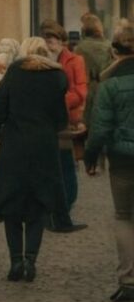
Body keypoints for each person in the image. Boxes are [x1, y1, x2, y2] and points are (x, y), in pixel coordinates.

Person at [0, 37, 69, 283]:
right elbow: (61, 119)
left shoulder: (14, 75)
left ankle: (16, 261)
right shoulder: (58, 77)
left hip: (15, 146)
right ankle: (31, 260)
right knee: (37, 206)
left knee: (11, 206)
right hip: (44, 146)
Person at [84, 23, 134, 302]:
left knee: (125, 216)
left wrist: (91, 157)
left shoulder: (110, 84)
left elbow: (100, 128)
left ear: (115, 50)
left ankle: (129, 280)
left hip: (123, 159)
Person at [40, 19, 88, 232]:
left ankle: (64, 209)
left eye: (52, 40)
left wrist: (57, 101)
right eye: (46, 40)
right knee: (48, 165)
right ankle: (51, 211)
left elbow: (80, 91)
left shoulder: (75, 60)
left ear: (61, 41)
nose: (49, 45)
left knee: (66, 164)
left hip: (66, 119)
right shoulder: (39, 60)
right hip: (45, 120)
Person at [74, 12, 113, 134]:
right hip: (107, 88)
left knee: (88, 128)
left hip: (88, 89)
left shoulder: (80, 48)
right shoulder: (109, 46)